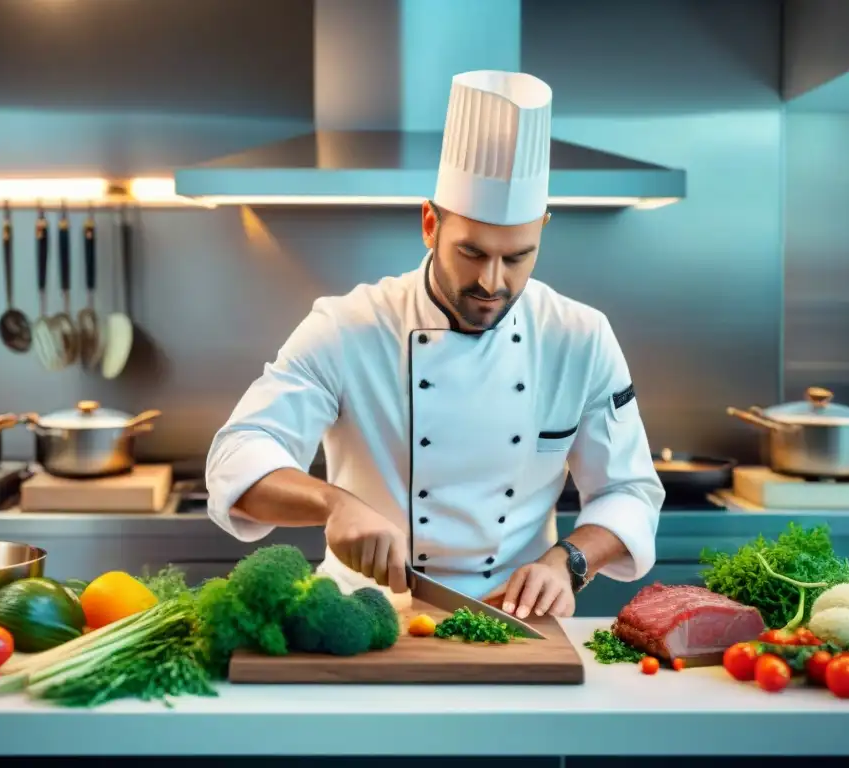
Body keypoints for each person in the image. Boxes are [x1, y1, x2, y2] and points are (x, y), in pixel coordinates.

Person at [205, 70, 665, 620]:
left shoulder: (579, 337)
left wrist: (567, 561)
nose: (493, 282)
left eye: (517, 256)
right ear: (430, 224)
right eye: (471, 252)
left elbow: (630, 491)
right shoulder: (348, 327)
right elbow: (237, 455)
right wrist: (333, 504)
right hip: (360, 618)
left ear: (542, 228)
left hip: (512, 625)